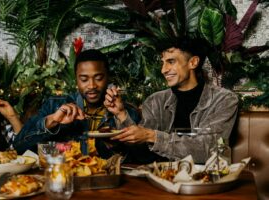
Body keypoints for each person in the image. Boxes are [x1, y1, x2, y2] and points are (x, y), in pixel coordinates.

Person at [105, 38, 239, 164]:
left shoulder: (224, 100)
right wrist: (121, 114)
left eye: (171, 61)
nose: (163, 70)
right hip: (161, 178)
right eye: (162, 63)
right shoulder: (155, 101)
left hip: (204, 180)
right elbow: (142, 153)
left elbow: (207, 150)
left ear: (193, 62)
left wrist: (152, 136)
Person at [13, 49, 142, 162]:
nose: (91, 86)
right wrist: (52, 121)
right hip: (64, 179)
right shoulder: (55, 105)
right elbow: (19, 147)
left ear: (107, 77)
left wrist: (118, 142)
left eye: (98, 78)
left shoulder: (124, 112)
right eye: (84, 79)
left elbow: (141, 159)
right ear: (76, 79)